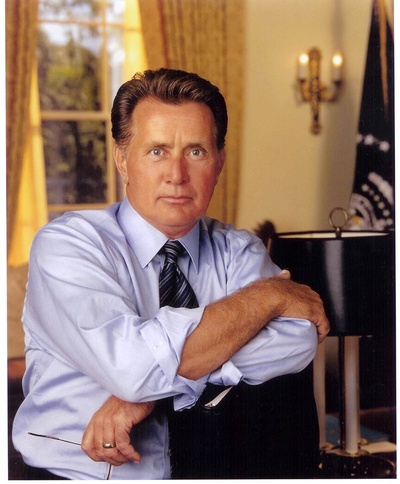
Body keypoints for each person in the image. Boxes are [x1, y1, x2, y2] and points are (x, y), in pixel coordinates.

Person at [12, 68, 329, 480]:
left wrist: (147, 396)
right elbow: (132, 368)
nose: (176, 175)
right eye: (157, 151)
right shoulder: (69, 245)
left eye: (195, 151)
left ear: (219, 162)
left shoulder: (238, 250)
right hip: (79, 475)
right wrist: (268, 297)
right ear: (122, 159)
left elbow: (297, 339)